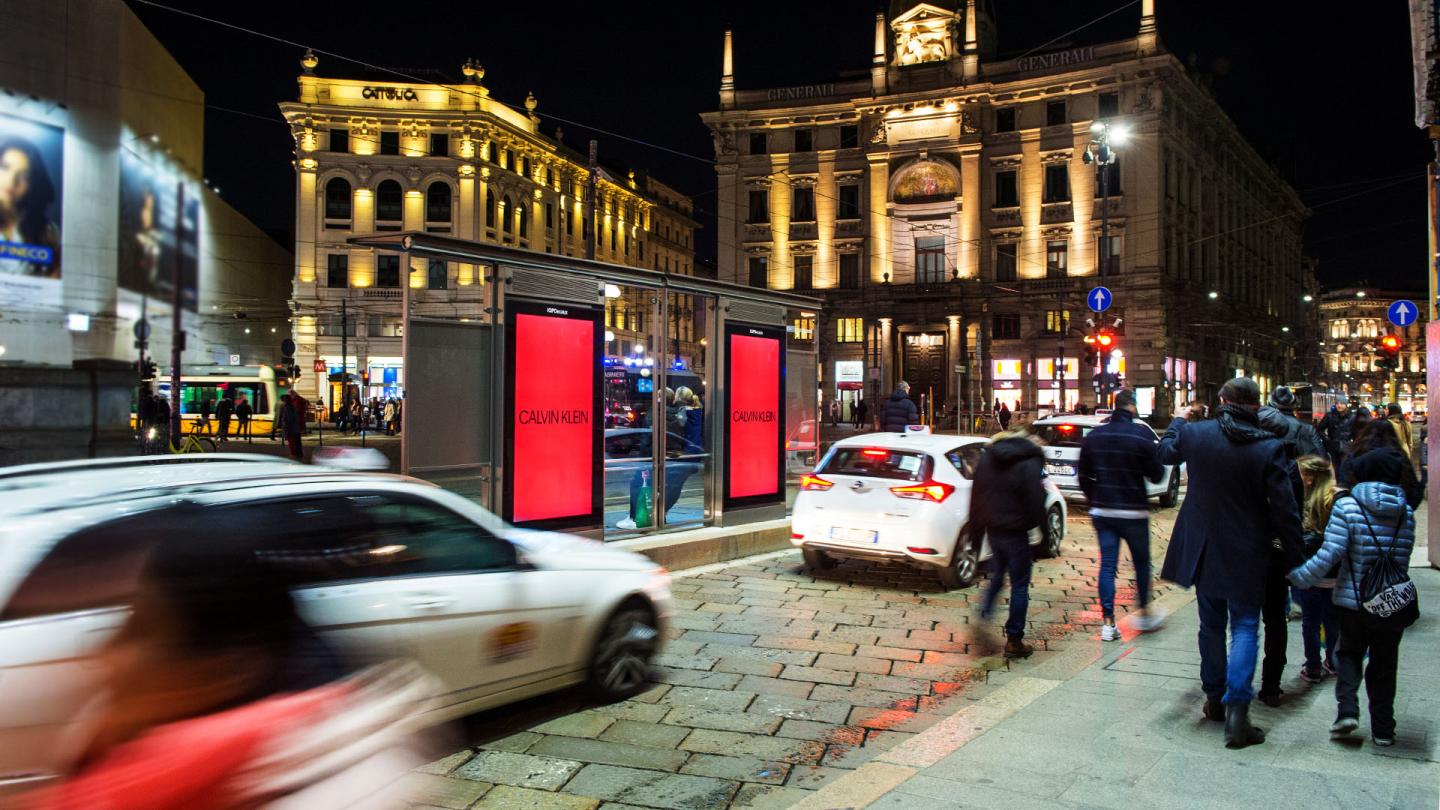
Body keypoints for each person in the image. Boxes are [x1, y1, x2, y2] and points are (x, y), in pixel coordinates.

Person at [19, 506, 437, 809]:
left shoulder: (339, 789)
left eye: (141, 629)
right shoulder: (122, 739)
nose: (105, 655)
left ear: (221, 667)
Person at [1157, 377, 1304, 748]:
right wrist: (1296, 560)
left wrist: (1178, 419)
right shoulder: (1270, 447)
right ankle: (1237, 712)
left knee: (1210, 626)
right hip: (1248, 550)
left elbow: (1165, 452)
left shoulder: (1197, 434)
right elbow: (1285, 512)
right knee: (1243, 627)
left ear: (1222, 400)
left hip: (1204, 549)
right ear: (1257, 406)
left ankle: (1213, 698)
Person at [1290, 448, 1417, 747]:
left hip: (1353, 601)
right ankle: (1384, 729)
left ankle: (1347, 710)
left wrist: (1300, 577)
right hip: (1391, 603)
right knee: (1385, 664)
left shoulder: (1348, 508)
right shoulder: (1406, 514)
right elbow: (1404, 557)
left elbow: (1329, 554)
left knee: (1347, 654)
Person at [1255, 386, 1326, 706]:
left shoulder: (1248, 426)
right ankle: (1271, 684)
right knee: (1274, 615)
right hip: (1288, 528)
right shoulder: (1305, 432)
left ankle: (1229, 685)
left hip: (1249, 530)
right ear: (1294, 407)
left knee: (1241, 617)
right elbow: (1321, 482)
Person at [1077, 389, 1167, 641]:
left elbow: (1083, 475)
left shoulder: (1095, 436)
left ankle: (1108, 624)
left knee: (1107, 566)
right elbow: (1157, 475)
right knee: (1141, 563)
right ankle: (1145, 614)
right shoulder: (1140, 436)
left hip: (1102, 510)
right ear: (1132, 408)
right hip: (1133, 511)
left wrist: (1094, 497)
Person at [969, 428, 1046, 659]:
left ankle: (983, 617)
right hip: (1017, 532)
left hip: (994, 531)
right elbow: (1036, 500)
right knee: (1020, 585)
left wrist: (975, 537)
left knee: (997, 578)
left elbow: (976, 498)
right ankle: (1014, 639)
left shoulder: (987, 458)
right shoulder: (1029, 460)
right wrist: (1042, 534)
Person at [1293, 454, 1339, 683]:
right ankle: (1333, 660)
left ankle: (1312, 666)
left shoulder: (1304, 503)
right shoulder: (1339, 499)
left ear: (1309, 478)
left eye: (1299, 474)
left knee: (1310, 622)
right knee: (1332, 620)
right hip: (1335, 575)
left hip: (1310, 574)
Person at [0, 135, 62, 279]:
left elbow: (54, 285)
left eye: (23, 176)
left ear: (32, 184)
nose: (11, 181)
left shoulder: (48, 232)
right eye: (5, 167)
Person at [1339, 419, 1422, 507]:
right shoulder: (1399, 456)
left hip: (1359, 512)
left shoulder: (1355, 454)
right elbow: (1413, 492)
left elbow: (1344, 483)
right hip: (1395, 512)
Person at [1318, 401, 1355, 465]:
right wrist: (1327, 440)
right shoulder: (1329, 416)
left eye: (1342, 403)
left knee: (1344, 467)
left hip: (1346, 446)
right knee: (1336, 466)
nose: (1339, 405)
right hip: (1333, 446)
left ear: (1346, 405)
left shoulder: (1352, 417)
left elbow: (1356, 431)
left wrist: (1352, 441)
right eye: (1337, 403)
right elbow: (1319, 429)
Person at [278, 393, 304, 461]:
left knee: (292, 442)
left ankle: (293, 454)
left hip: (291, 428)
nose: (283, 401)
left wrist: (286, 427)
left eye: (283, 400)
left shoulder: (288, 407)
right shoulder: (293, 406)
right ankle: (298, 454)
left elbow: (288, 419)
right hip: (296, 427)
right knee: (297, 441)